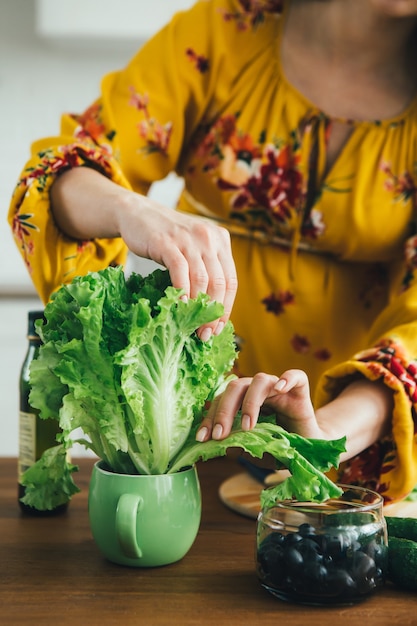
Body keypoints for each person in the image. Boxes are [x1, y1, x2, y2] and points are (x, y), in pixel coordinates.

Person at [8, 0, 417, 503]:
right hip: (178, 449)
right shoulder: (227, 28)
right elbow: (58, 174)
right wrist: (127, 208)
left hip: (346, 465)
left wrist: (318, 436)